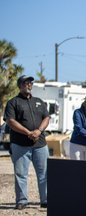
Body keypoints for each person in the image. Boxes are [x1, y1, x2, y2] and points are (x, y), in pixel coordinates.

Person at [4, 75, 50, 209]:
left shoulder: (39, 101)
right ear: (19, 86)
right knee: (21, 174)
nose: (29, 85)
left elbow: (46, 117)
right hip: (20, 145)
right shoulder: (13, 102)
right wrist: (29, 133)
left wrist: (39, 131)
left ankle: (45, 200)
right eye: (25, 83)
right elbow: (11, 121)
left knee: (44, 174)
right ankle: (22, 201)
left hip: (40, 144)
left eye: (30, 83)